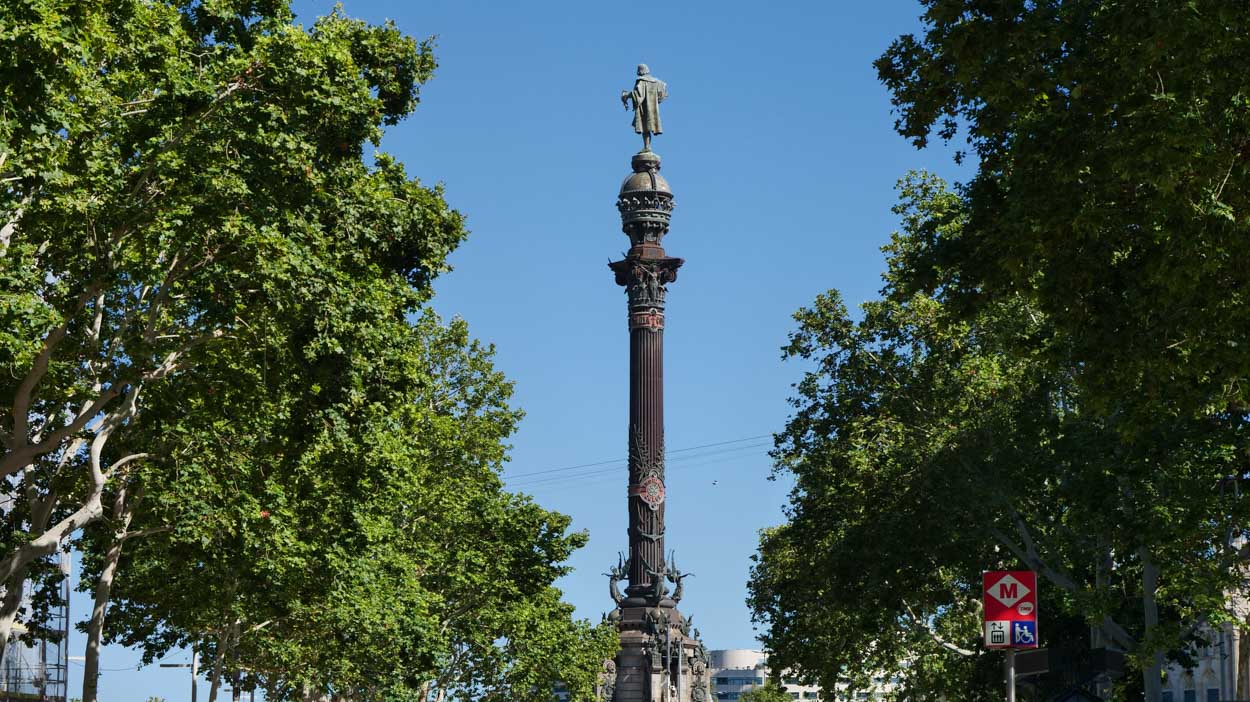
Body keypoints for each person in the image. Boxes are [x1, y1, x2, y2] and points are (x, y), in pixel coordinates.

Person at [621, 64, 667, 151]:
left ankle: (647, 147)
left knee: (645, 129)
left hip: (644, 109)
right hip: (653, 110)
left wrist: (626, 95)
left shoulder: (641, 81)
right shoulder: (656, 82)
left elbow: (638, 94)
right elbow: (663, 87)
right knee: (648, 129)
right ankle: (647, 147)